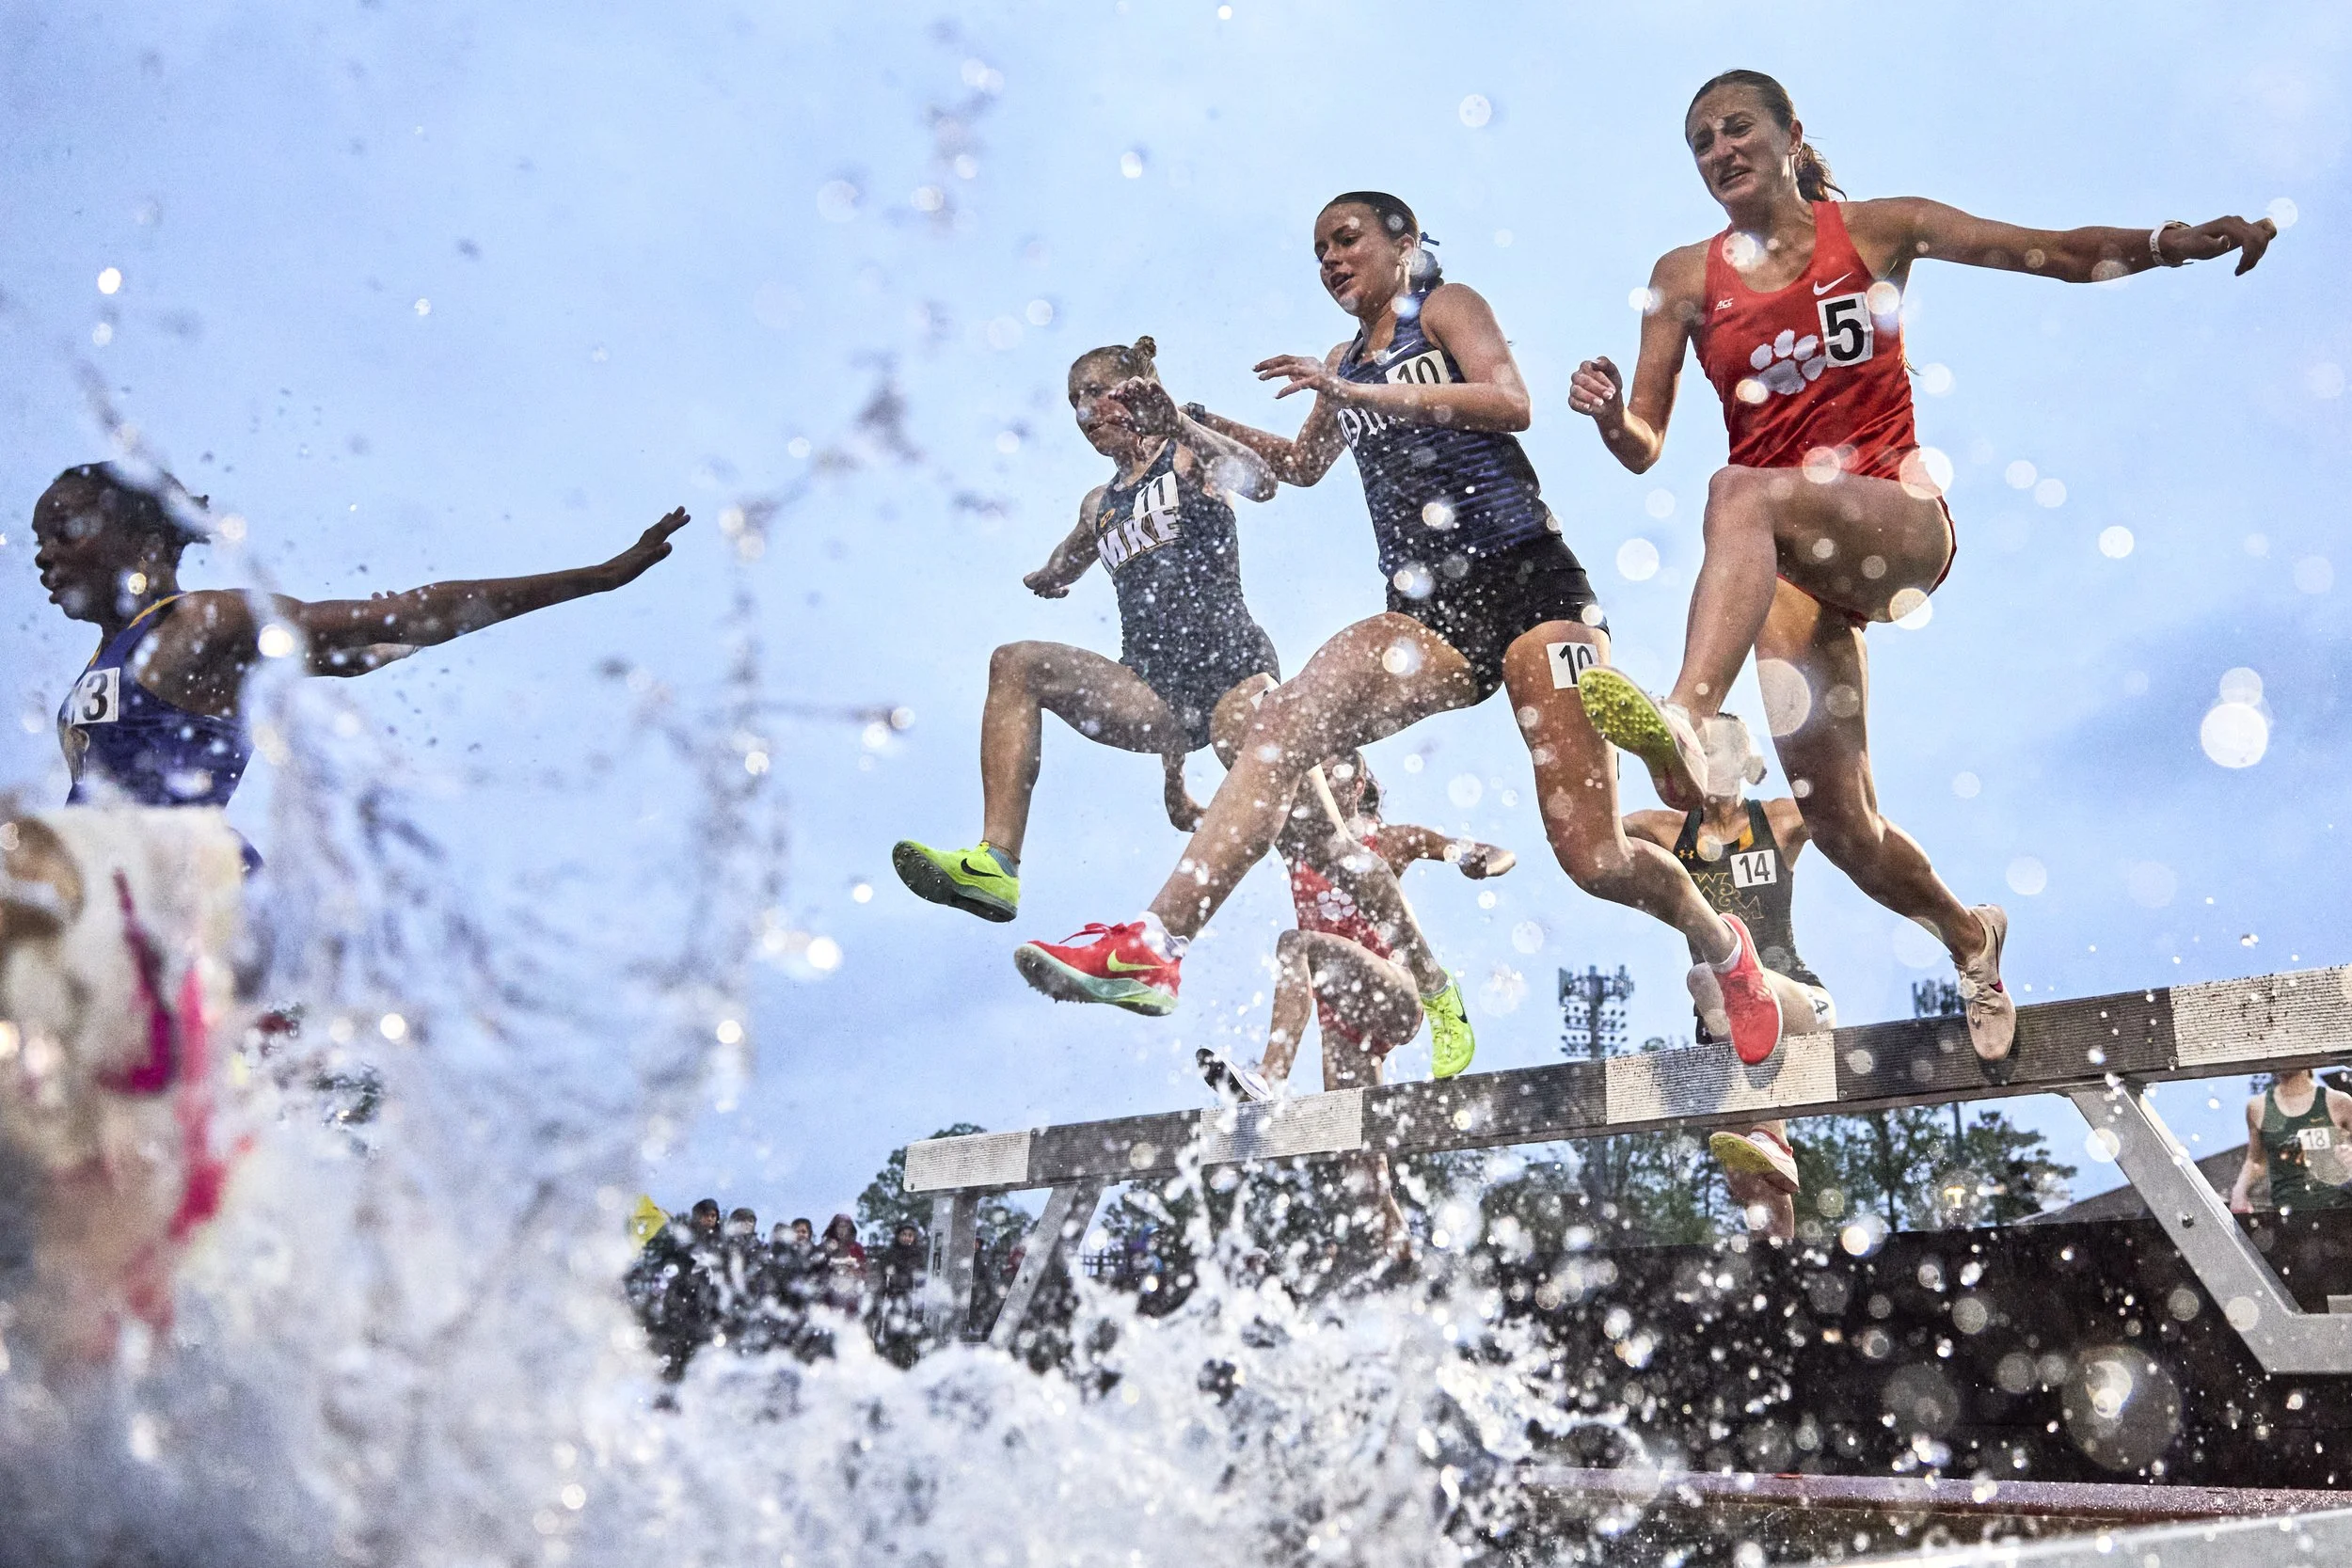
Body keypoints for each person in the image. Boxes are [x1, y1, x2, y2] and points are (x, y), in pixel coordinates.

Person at [1564, 69, 2278, 1075]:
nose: (1719, 152)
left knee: (1739, 489)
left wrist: (2168, 244)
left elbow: (2054, 254)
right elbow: (1644, 438)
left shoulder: (1876, 230)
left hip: (1894, 526)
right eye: (1700, 143)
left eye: (1735, 130)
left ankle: (1685, 711)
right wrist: (1608, 416)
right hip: (1793, 567)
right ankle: (1966, 933)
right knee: (1839, 824)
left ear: (1787, 134)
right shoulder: (1683, 279)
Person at [1012, 191, 1788, 1067]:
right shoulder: (1346, 359)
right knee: (1279, 726)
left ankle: (1725, 950)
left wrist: (1349, 388)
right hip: (1428, 608)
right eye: (1318, 252)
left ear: (1403, 241)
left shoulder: (1443, 309)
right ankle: (1156, 946)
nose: (1332, 261)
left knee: (1597, 858)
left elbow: (1509, 401)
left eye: (1346, 240)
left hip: (1531, 587)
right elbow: (1302, 467)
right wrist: (1185, 420)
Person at [898, 336, 1477, 1068]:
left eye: (1097, 393)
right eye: (1074, 402)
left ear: (1136, 391)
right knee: (1015, 664)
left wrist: (1182, 422)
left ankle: (1435, 988)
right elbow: (1077, 551)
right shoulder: (1097, 501)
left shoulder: (1187, 455)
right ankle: (994, 862)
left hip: (1234, 674)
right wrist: (1051, 574)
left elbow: (1265, 482)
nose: (1085, 413)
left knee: (1331, 849)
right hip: (1154, 687)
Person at [32, 461, 687, 866]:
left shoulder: (198, 622)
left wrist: (594, 578)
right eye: (39, 541)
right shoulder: (100, 664)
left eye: (65, 532)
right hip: (117, 899)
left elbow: (408, 612)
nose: (45, 556)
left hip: (189, 900)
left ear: (146, 541)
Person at [1197, 754, 1513, 1258]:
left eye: (1332, 769)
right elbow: (1206, 822)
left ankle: (1270, 1078)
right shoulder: (1295, 846)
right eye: (1313, 771)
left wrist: (1484, 861)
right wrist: (1174, 775)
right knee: (1362, 1173)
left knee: (1295, 944)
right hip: (1342, 1026)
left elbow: (1492, 851)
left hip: (1397, 994)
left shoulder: (1387, 839)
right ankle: (1401, 1263)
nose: (1318, 779)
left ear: (1359, 781)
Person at [1620, 711, 1836, 1240]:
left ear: (1746, 761)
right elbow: (1595, 827)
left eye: (1720, 752)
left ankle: (1768, 1131)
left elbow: (1845, 808)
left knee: (1709, 980)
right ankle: (1780, 1276)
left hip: (1796, 1000)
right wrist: (1650, 750)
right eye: (1701, 751)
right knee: (1752, 1186)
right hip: (1720, 1028)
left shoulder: (1780, 820)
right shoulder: (1671, 830)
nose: (1709, 763)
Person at [2230, 1070, 2352, 1216]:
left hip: (2339, 1212)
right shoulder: (2257, 1107)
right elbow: (2255, 1161)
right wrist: (2239, 1191)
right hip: (2288, 1217)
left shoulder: (2338, 1102)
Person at [817, 1213, 867, 1314]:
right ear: (834, 1228)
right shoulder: (825, 1246)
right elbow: (818, 1265)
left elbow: (863, 1269)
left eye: (846, 1227)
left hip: (851, 1291)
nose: (842, 1230)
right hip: (829, 1290)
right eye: (840, 1226)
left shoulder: (856, 1247)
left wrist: (854, 1266)